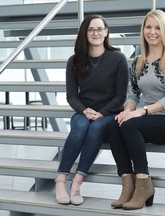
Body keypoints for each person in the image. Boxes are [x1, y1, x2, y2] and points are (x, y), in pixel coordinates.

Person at [107, 9, 165, 210]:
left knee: (130, 126)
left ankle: (143, 182)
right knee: (114, 124)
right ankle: (128, 183)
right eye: (148, 27)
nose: (152, 32)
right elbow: (133, 95)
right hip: (150, 119)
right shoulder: (138, 61)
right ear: (143, 30)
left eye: (157, 27)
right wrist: (127, 111)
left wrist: (140, 112)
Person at [55, 14, 129, 206]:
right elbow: (71, 95)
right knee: (80, 128)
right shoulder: (74, 60)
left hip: (109, 113)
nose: (96, 33)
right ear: (84, 33)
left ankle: (77, 183)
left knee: (96, 128)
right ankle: (61, 179)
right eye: (91, 29)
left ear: (106, 32)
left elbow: (121, 96)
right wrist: (85, 110)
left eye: (100, 29)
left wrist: (102, 112)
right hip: (83, 112)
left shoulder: (118, 58)